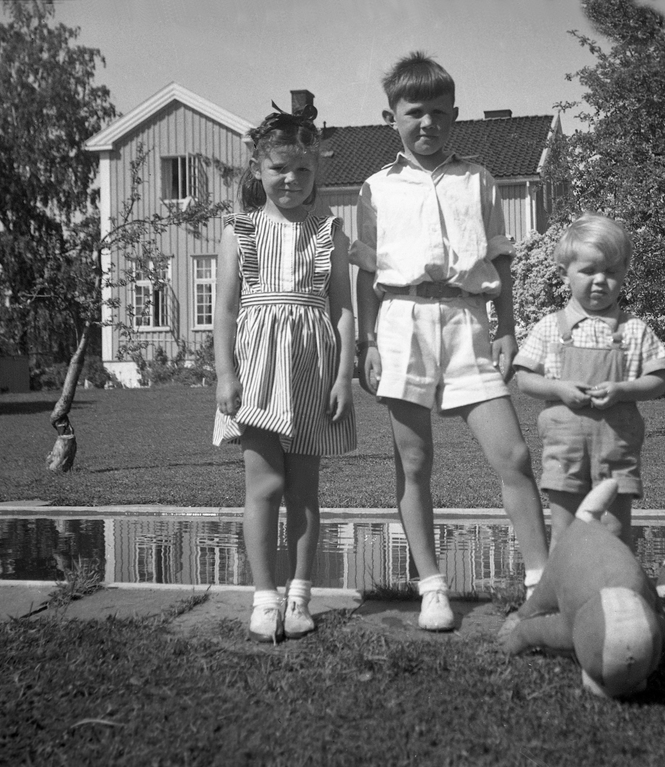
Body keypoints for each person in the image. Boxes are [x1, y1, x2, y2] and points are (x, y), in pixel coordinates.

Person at [349, 51, 549, 631]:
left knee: (512, 455)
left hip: (467, 322)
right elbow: (367, 273)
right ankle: (431, 585)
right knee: (414, 461)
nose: (427, 124)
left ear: (455, 115)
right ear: (392, 118)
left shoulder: (478, 178)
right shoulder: (375, 187)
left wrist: (508, 329)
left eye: (439, 113)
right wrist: (368, 342)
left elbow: (499, 262)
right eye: (414, 113)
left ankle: (542, 583)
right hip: (401, 322)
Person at [213, 110, 356, 643]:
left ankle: (299, 598)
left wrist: (343, 375)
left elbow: (343, 308)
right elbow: (225, 311)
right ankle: (264, 599)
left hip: (312, 368)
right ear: (258, 167)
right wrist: (225, 375)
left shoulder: (328, 231)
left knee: (304, 491)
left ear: (315, 169)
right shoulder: (240, 231)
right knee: (264, 486)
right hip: (256, 367)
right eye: (279, 169)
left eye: (301, 169)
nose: (290, 179)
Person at [513, 213, 665, 548]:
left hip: (615, 447)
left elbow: (658, 379)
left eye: (611, 272)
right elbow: (524, 379)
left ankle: (617, 593)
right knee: (566, 531)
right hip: (566, 450)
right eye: (588, 271)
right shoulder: (550, 328)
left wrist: (622, 390)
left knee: (614, 531)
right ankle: (565, 597)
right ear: (564, 273)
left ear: (625, 272)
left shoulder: (633, 330)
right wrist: (558, 388)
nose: (600, 281)